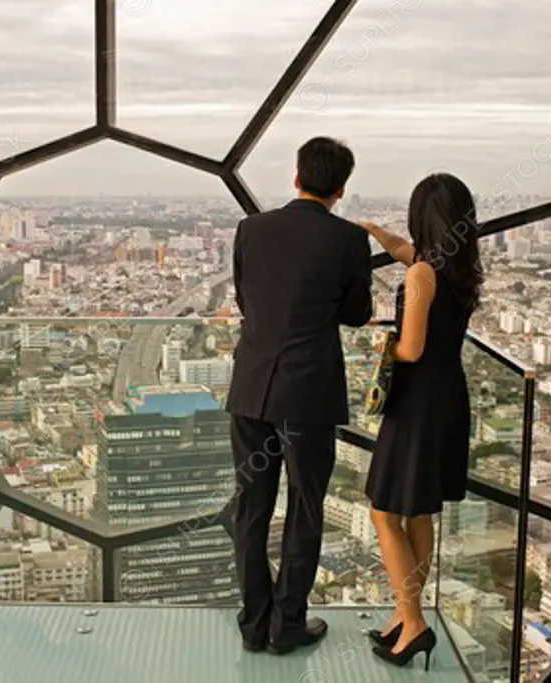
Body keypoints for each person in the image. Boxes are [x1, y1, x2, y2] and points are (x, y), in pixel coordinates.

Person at [226, 137, 373, 655]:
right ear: (341, 188)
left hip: (251, 389)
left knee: (251, 508)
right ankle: (288, 624)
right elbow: (356, 313)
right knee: (305, 509)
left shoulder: (251, 230)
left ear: (296, 177)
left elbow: (246, 300)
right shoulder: (349, 240)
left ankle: (253, 623)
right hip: (308, 394)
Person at [358, 173, 483, 670]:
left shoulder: (421, 276)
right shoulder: (454, 269)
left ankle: (413, 623)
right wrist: (373, 233)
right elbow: (406, 251)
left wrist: (383, 345)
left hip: (417, 404)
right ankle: (404, 616)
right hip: (448, 398)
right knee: (420, 512)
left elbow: (410, 347)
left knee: (384, 512)